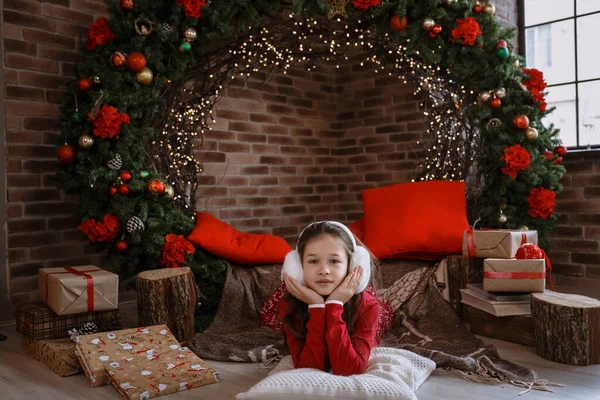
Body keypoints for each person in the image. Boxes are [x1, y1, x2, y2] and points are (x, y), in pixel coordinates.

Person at [279, 221, 380, 376]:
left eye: (334, 261)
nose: (324, 270)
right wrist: (317, 307)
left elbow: (349, 369)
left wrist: (334, 305)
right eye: (313, 261)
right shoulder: (289, 305)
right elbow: (309, 368)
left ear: (352, 266)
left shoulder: (367, 306)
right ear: (298, 268)